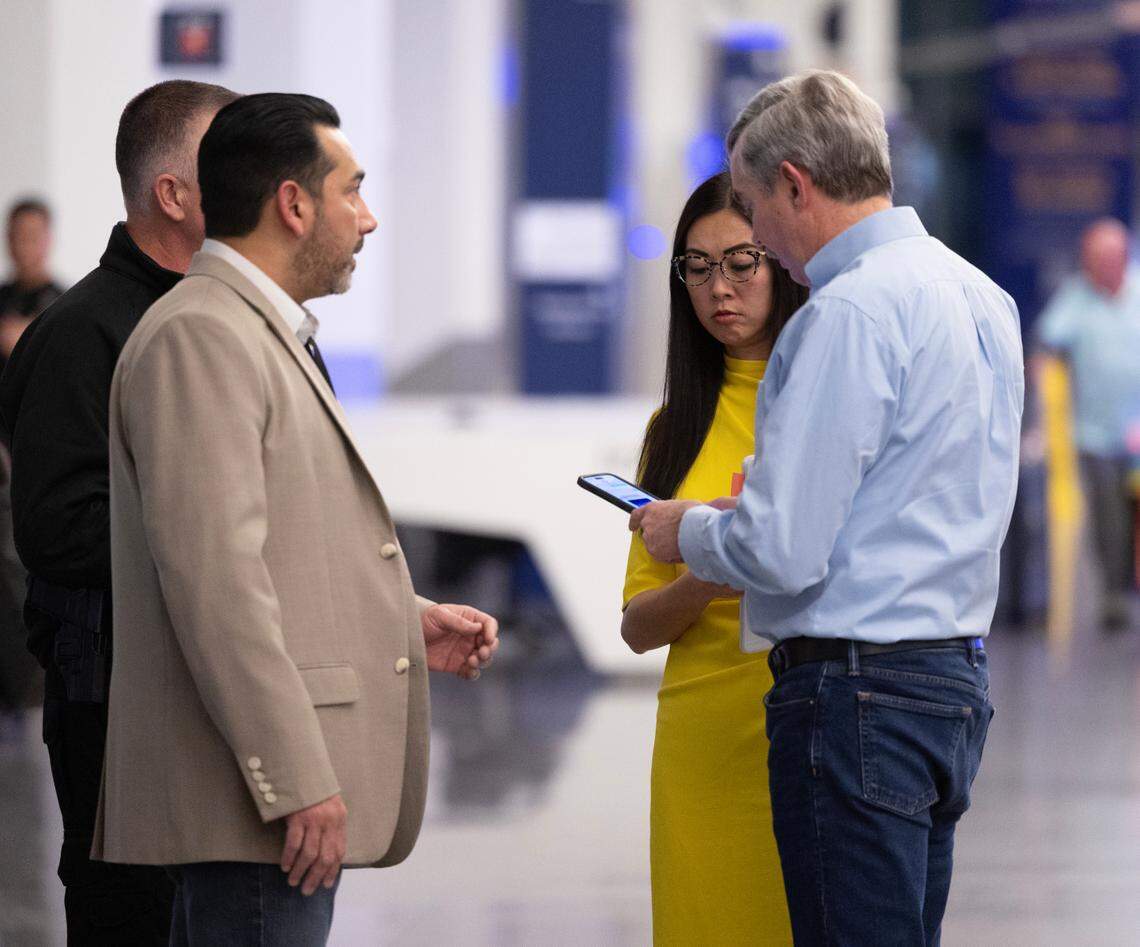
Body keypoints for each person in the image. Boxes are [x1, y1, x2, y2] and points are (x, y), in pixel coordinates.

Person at [95, 92, 500, 946]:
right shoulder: (203, 337)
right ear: (293, 204)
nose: (370, 216)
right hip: (255, 811)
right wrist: (294, 777)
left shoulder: (251, 332)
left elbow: (280, 549)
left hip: (266, 805)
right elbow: (217, 586)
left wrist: (400, 617)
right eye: (352, 189)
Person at [631, 70, 1024, 944]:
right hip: (953, 680)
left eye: (751, 209)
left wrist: (680, 526)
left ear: (796, 186)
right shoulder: (982, 298)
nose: (758, 243)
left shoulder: (848, 312)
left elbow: (781, 548)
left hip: (856, 691)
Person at [0, 79, 238, 944]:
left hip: (209, 694)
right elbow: (59, 527)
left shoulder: (214, 315)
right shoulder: (80, 332)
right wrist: (216, 549)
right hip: (118, 705)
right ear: (172, 193)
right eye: (227, 162)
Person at [621, 171, 806, 945]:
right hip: (699, 736)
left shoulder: (820, 398)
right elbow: (636, 625)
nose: (718, 288)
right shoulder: (673, 427)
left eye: (741, 262)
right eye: (697, 267)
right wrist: (711, 567)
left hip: (806, 721)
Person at [1036, 218, 1140, 629]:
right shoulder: (1076, 296)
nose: (1099, 267)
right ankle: (1114, 596)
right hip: (1095, 435)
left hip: (1138, 433)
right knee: (1109, 520)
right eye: (1093, 259)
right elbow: (1047, 341)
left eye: (1108, 258)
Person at [0, 199, 65, 368]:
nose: (23, 245)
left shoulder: (65, 303)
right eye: (17, 235)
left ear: (48, 240)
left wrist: (27, 344)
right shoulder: (3, 296)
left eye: (32, 236)